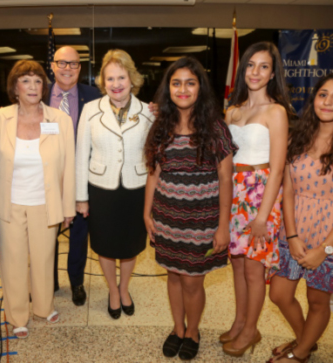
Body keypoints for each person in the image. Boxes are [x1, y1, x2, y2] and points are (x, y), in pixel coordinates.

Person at [267, 72, 333, 363]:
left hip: (332, 235)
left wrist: (324, 249)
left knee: (317, 301)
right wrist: (291, 236)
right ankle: (307, 338)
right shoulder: (298, 137)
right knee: (278, 294)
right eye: (322, 94)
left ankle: (302, 351)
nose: (328, 102)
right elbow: (287, 191)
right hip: (294, 228)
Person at [144, 57, 236, 360]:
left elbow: (225, 178)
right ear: (168, 88)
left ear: (200, 88)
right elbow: (154, 174)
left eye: (190, 82)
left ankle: (193, 331)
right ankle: (177, 328)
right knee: (173, 276)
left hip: (203, 221)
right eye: (176, 82)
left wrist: (223, 226)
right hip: (167, 218)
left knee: (193, 281)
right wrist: (147, 214)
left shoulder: (215, 128)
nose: (183, 89)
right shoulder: (161, 127)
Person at [0, 60, 75, 339]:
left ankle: (43, 307)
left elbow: (69, 166)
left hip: (45, 201)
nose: (32, 86)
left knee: (44, 258)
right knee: (13, 260)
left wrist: (68, 206)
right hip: (10, 203)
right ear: (14, 87)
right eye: (25, 80)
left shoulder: (59, 120)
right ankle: (17, 316)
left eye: (38, 81)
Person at [222, 41, 292, 357]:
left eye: (263, 66)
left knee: (254, 271)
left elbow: (277, 169)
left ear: (272, 73)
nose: (255, 72)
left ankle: (251, 330)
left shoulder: (276, 112)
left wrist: (263, 216)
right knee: (237, 265)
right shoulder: (232, 111)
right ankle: (240, 322)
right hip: (234, 193)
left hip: (260, 194)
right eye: (251, 65)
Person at [75, 49, 154, 319]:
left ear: (132, 79)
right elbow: (80, 155)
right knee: (106, 245)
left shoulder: (147, 112)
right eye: (110, 79)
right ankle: (111, 290)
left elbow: (154, 155)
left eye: (121, 77)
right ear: (103, 82)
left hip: (136, 189)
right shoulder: (90, 110)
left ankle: (124, 288)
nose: (116, 84)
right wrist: (80, 197)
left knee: (131, 245)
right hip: (101, 190)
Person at [47, 46, 101, 306]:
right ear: (52, 65)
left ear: (80, 68)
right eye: (62, 63)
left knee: (79, 233)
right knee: (46, 232)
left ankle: (76, 282)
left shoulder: (93, 96)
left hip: (81, 176)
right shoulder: (38, 93)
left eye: (74, 64)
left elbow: (119, 111)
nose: (67, 68)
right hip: (46, 178)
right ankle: (49, 281)